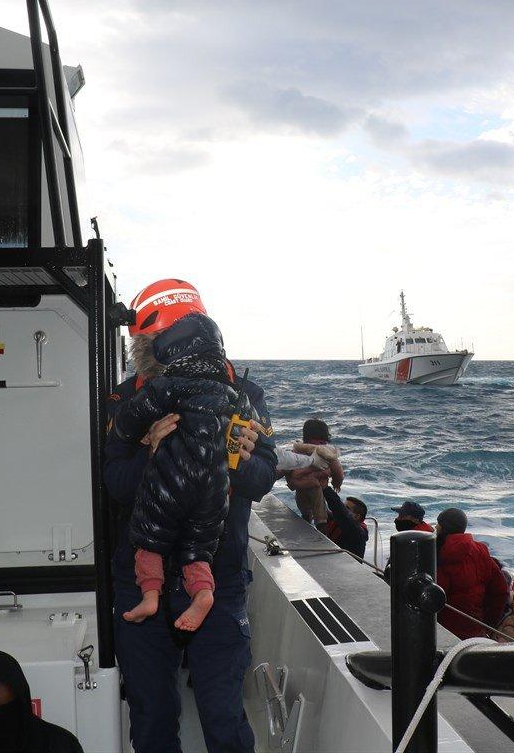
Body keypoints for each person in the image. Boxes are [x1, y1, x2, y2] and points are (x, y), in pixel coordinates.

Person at [105, 278, 276, 753]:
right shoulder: (125, 403)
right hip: (140, 577)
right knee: (153, 715)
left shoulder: (244, 394)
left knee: (223, 714)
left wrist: (227, 452)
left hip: (217, 578)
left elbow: (262, 478)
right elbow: (115, 484)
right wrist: (151, 450)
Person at [111, 310, 242, 632]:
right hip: (214, 488)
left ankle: (150, 595)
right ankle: (203, 594)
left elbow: (129, 421)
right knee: (199, 548)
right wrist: (238, 450)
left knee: (150, 537)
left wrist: (134, 434)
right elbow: (241, 428)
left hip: (172, 479)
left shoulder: (167, 386)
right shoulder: (232, 392)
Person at [434, 508, 509, 639]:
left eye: (438, 524)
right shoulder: (481, 551)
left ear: (443, 527)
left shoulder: (437, 553)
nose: (435, 527)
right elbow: (501, 590)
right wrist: (487, 623)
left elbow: (435, 597)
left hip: (442, 632)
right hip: (475, 631)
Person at [282, 419, 343, 531]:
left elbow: (338, 470)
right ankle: (317, 523)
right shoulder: (322, 451)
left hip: (309, 488)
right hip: (309, 488)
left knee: (309, 503)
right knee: (313, 508)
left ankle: (314, 520)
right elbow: (338, 470)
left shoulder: (303, 450)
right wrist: (337, 482)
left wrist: (337, 482)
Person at [322, 486, 368, 558]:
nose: (343, 509)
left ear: (357, 516)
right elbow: (324, 510)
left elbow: (341, 513)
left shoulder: (358, 533)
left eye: (346, 509)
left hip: (349, 567)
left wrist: (326, 488)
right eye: (343, 507)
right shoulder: (336, 520)